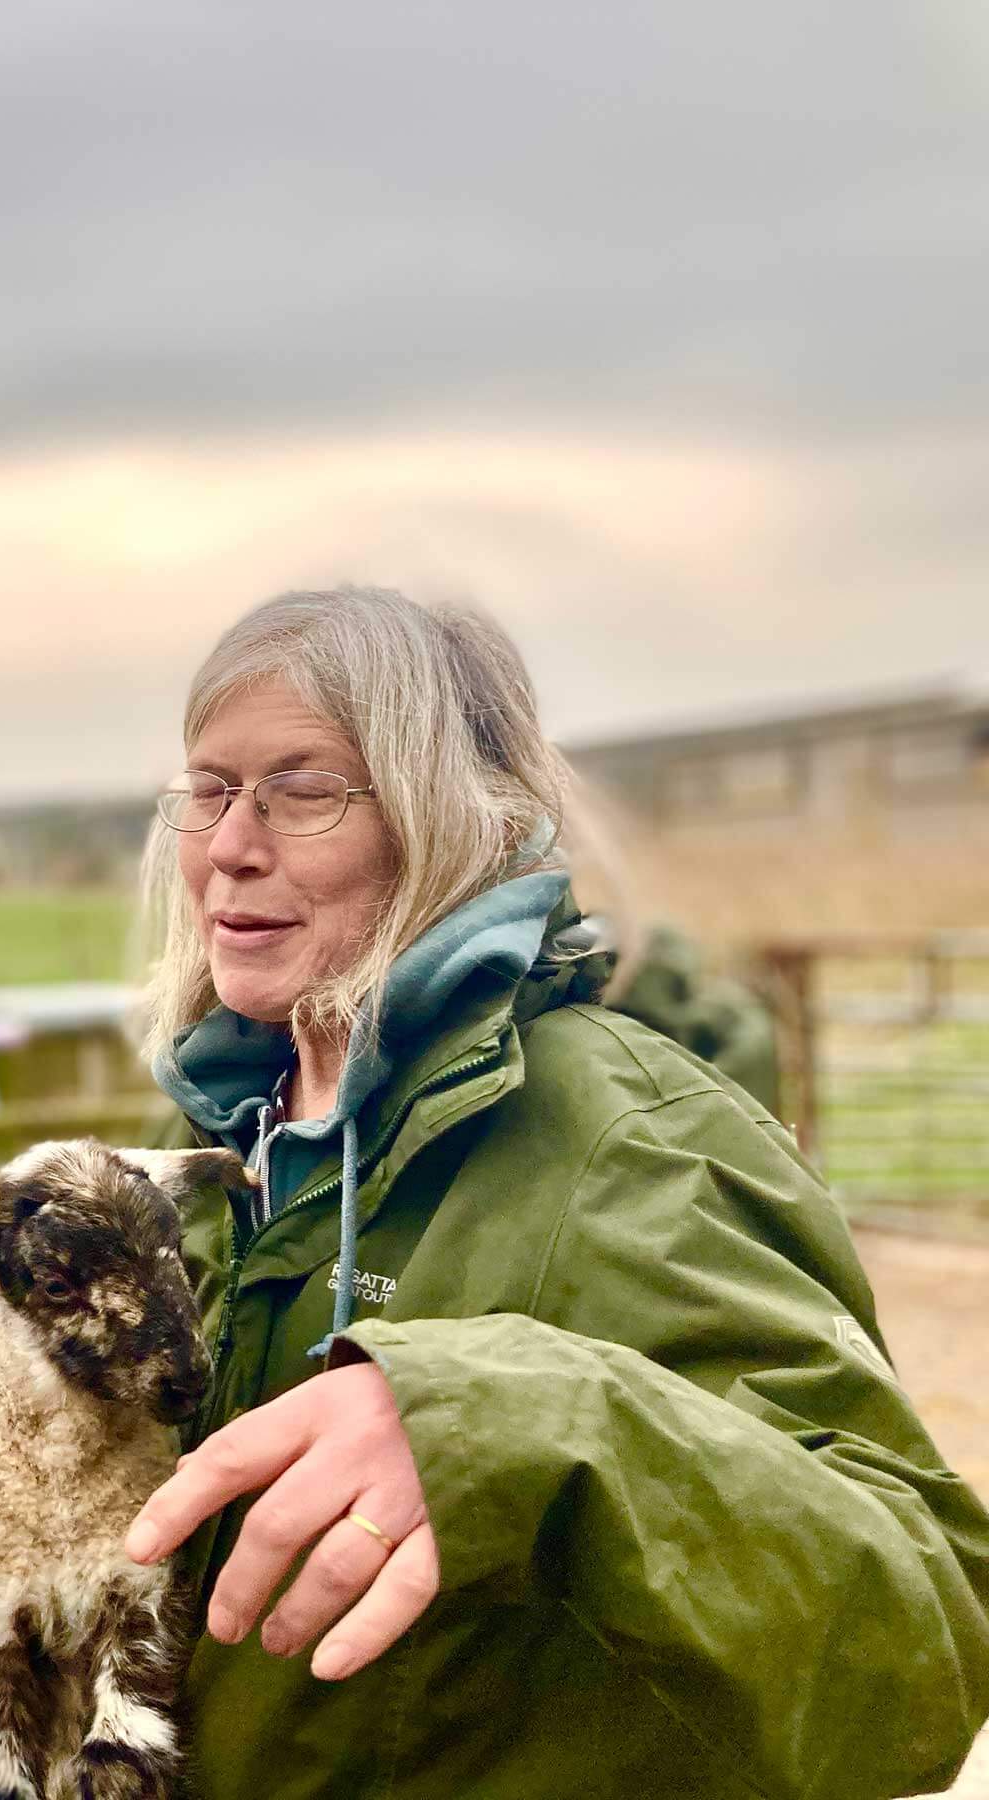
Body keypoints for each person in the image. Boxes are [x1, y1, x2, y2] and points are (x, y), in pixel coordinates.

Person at [118, 586, 989, 1799]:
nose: (229, 846)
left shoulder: (634, 1140)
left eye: (303, 789)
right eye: (208, 789)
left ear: (447, 823)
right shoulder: (205, 1135)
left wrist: (524, 1423)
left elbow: (923, 1651)